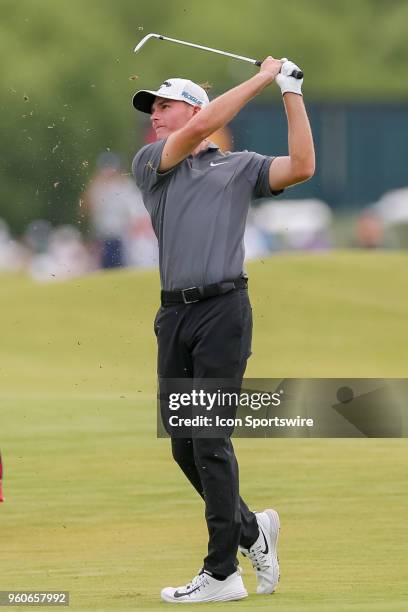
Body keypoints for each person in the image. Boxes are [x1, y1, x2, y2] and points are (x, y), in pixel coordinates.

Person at [132, 57, 315, 603]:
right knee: (184, 448)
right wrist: (260, 76)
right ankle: (253, 531)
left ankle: (222, 573)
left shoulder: (240, 167)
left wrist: (289, 91)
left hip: (224, 312)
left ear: (194, 106)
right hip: (174, 316)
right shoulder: (152, 164)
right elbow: (194, 132)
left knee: (210, 439)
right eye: (153, 109)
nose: (156, 117)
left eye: (164, 106)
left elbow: (302, 165)